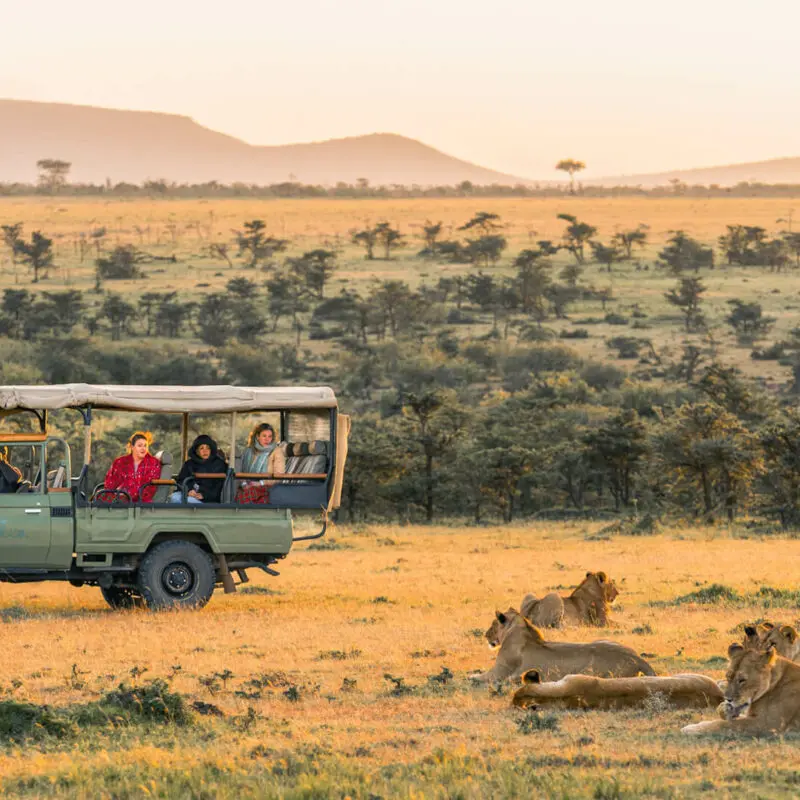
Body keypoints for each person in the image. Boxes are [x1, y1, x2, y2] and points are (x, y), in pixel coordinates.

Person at [102, 432, 161, 502]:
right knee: (99, 498)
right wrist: (116, 494)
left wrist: (128, 494)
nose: (143, 448)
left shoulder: (154, 463)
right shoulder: (119, 462)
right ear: (132, 447)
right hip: (118, 498)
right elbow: (110, 483)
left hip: (142, 501)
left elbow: (150, 487)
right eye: (140, 446)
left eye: (145, 446)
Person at [235, 422, 285, 504]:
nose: (267, 439)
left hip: (267, 487)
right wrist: (244, 484)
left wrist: (259, 483)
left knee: (249, 496)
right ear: (258, 437)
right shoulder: (248, 451)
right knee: (236, 495)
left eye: (270, 436)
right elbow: (240, 472)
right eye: (264, 436)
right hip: (247, 486)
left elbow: (279, 476)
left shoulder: (276, 451)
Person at [170, 434, 228, 504]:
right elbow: (181, 481)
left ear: (211, 450)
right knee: (174, 497)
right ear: (196, 451)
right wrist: (189, 491)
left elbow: (220, 487)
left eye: (208, 448)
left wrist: (204, 495)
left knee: (188, 500)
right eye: (201, 448)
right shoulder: (189, 464)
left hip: (209, 499)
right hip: (190, 494)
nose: (205, 451)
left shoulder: (219, 465)